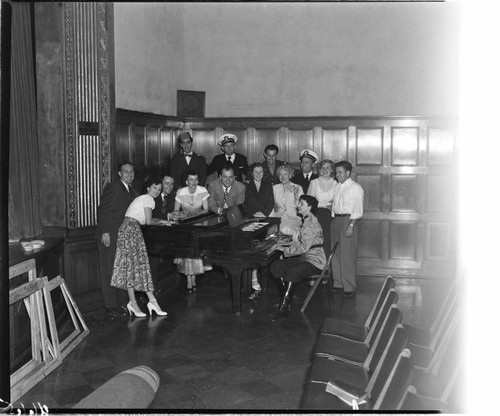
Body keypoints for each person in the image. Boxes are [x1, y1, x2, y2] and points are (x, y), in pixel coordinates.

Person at [110, 177, 168, 318]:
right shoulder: (148, 199)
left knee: (133, 268)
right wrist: (164, 222)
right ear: (148, 188)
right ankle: (146, 302)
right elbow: (149, 221)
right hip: (132, 229)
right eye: (155, 187)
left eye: (159, 189)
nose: (157, 191)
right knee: (138, 266)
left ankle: (137, 302)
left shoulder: (141, 198)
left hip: (128, 229)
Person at [270, 195, 326, 319]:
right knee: (276, 266)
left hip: (315, 261)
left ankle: (284, 307)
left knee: (293, 272)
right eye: (299, 203)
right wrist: (285, 243)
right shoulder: (306, 220)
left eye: (301, 204)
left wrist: (284, 249)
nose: (298, 205)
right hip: (306, 258)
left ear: (309, 207)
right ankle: (286, 299)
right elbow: (301, 243)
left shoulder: (311, 224)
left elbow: (303, 248)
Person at [96, 160, 139, 318]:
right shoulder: (114, 187)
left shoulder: (131, 191)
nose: (129, 174)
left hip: (121, 236)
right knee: (109, 270)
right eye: (126, 172)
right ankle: (110, 305)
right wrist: (105, 232)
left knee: (120, 269)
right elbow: (103, 210)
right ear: (120, 173)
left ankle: (120, 302)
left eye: (131, 172)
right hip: (110, 235)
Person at [330, 161, 364, 297]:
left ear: (348, 173)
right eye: (336, 172)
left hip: (348, 221)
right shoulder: (337, 186)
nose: (337, 175)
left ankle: (349, 287)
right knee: (336, 254)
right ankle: (338, 283)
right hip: (336, 220)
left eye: (340, 172)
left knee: (347, 255)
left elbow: (358, 209)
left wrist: (351, 226)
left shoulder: (355, 188)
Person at [173, 170, 210, 293]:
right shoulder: (180, 192)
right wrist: (184, 215)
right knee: (187, 253)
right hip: (185, 225)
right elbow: (175, 212)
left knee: (195, 253)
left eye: (195, 179)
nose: (193, 182)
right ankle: (189, 280)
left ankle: (193, 278)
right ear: (186, 181)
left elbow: (206, 210)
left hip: (199, 224)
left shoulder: (203, 190)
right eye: (191, 179)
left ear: (198, 180)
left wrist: (195, 213)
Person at [243, 162, 275, 300]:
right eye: (255, 172)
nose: (258, 174)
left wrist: (263, 213)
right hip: (250, 220)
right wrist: (254, 214)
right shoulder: (247, 186)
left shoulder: (268, 186)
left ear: (264, 173)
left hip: (264, 220)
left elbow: (270, 203)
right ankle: (252, 279)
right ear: (252, 173)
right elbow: (246, 204)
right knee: (251, 249)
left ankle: (255, 278)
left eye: (260, 172)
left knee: (260, 249)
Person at [307, 159, 336, 256]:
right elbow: (309, 202)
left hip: (330, 215)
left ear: (332, 170)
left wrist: (333, 205)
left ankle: (327, 265)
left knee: (328, 239)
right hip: (317, 214)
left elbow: (337, 201)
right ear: (319, 169)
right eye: (323, 167)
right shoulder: (314, 182)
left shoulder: (336, 184)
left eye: (328, 167)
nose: (325, 170)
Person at [270, 163, 304, 239]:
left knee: (287, 230)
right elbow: (270, 204)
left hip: (293, 218)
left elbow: (301, 206)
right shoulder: (274, 188)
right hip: (278, 217)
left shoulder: (298, 187)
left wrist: (295, 197)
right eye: (280, 174)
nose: (282, 177)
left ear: (290, 175)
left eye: (285, 174)